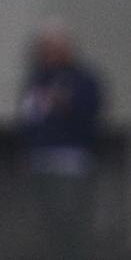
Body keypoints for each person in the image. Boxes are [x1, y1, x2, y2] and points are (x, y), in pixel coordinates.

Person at [17, 21, 103, 259]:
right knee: (48, 223)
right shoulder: (37, 79)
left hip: (71, 162)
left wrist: (66, 102)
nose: (51, 51)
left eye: (56, 46)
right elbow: (29, 118)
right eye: (46, 46)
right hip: (41, 161)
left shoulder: (82, 78)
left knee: (72, 222)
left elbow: (92, 111)